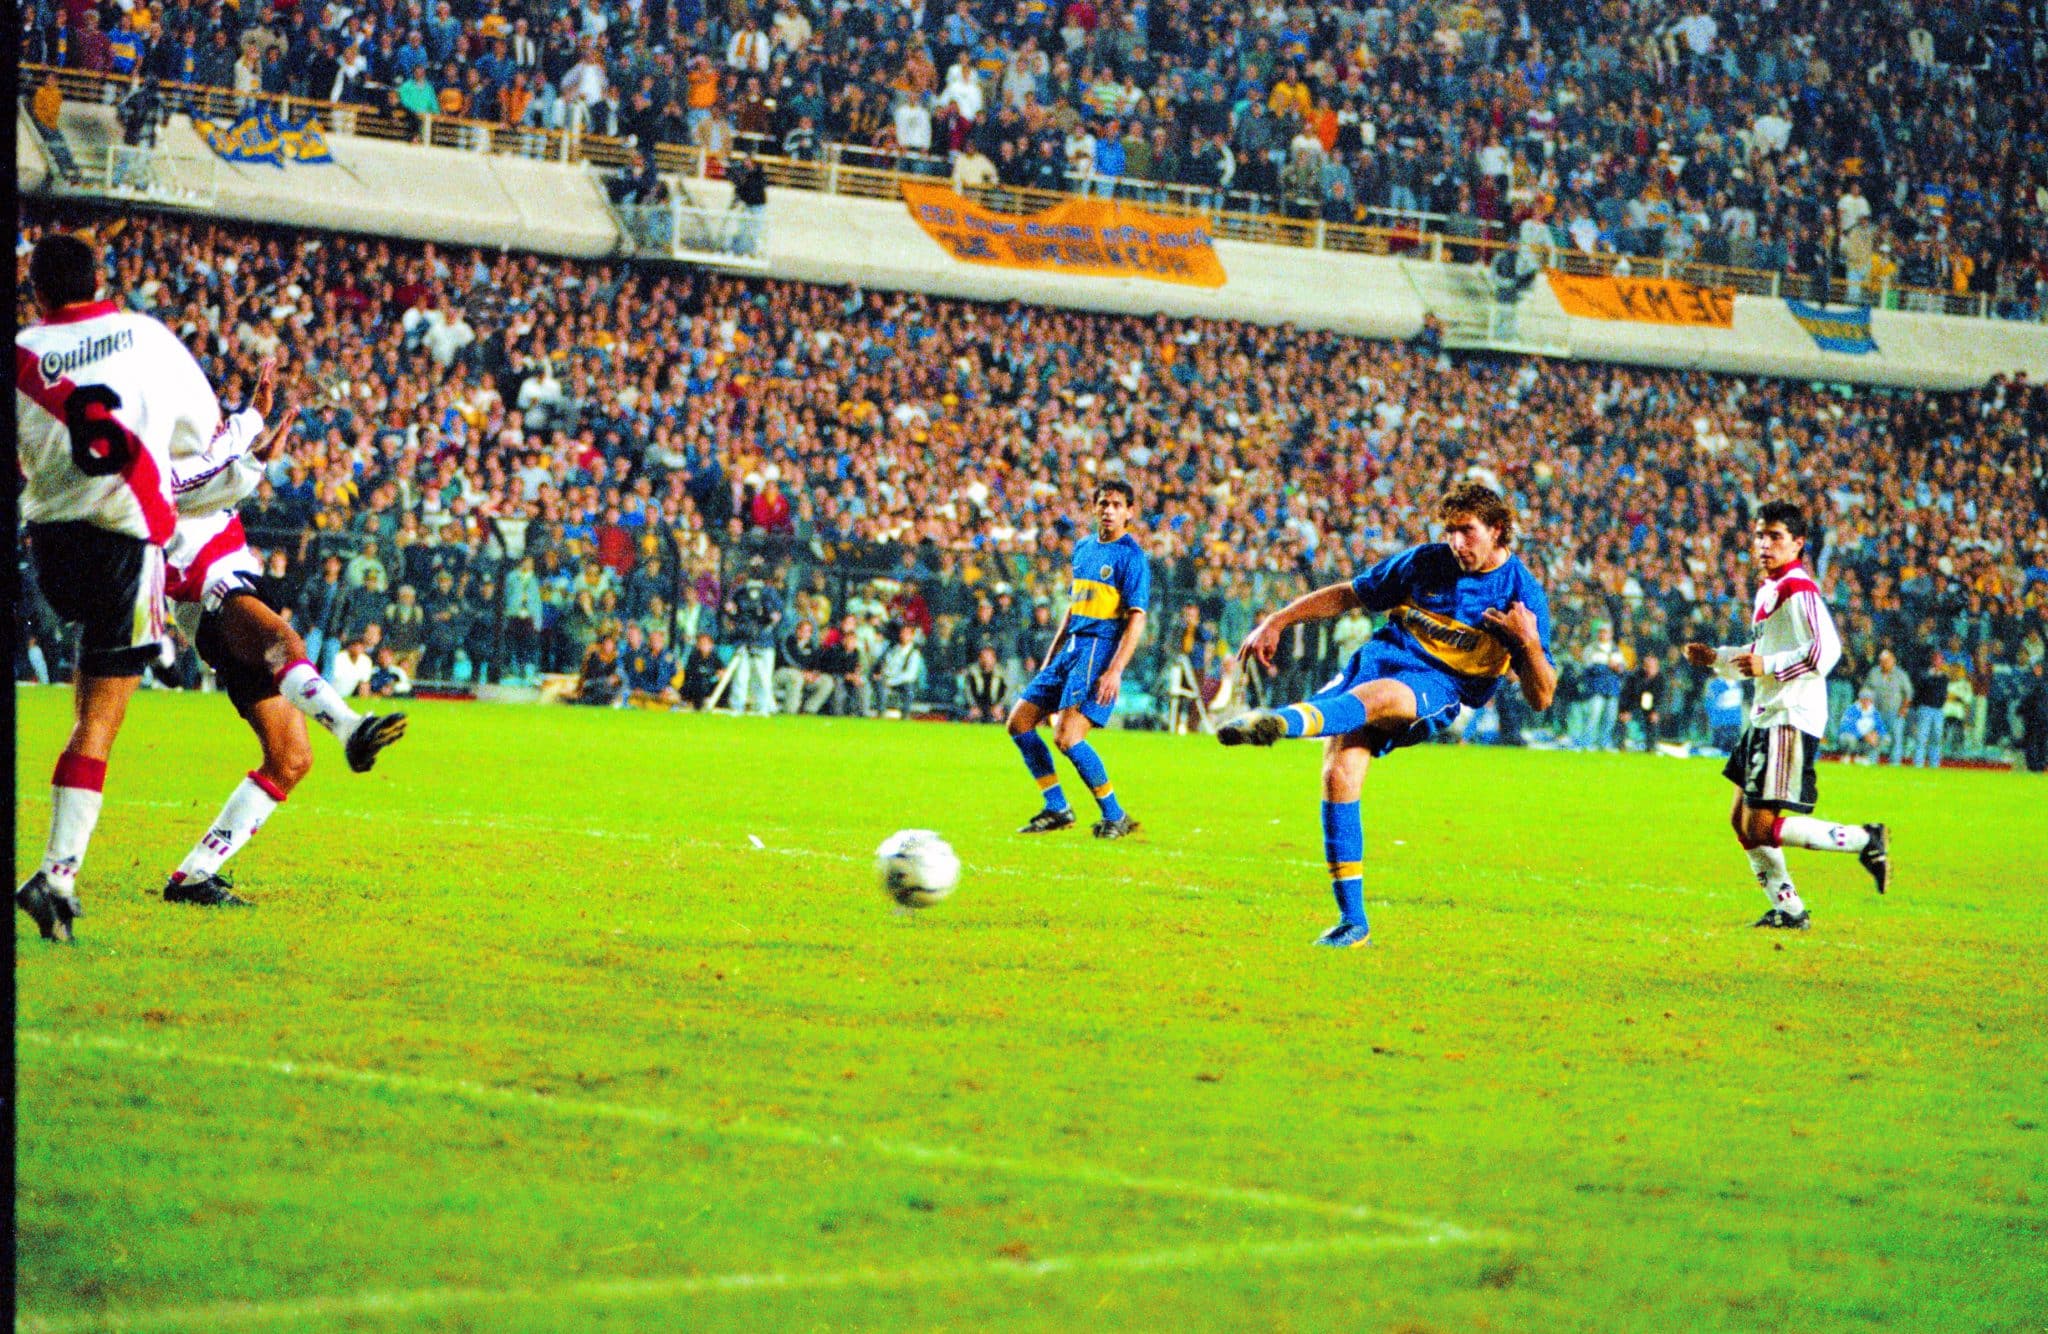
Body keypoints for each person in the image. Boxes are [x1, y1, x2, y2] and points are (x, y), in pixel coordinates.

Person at [1219, 483, 1556, 948]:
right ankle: (1352, 924)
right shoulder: (1424, 562)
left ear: (1498, 531)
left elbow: (1542, 697)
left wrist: (1529, 644)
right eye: (1451, 531)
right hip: (1379, 660)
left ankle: (1280, 721)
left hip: (1438, 687)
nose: (1457, 542)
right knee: (1339, 773)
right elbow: (1348, 595)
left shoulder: (1521, 593)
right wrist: (1276, 620)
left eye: (1468, 531)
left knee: (1378, 698)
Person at [15, 232, 229, 942]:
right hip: (125, 545)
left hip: (50, 548)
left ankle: (56, 872)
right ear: (98, 278)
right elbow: (202, 434)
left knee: (84, 705)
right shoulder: (143, 335)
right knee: (100, 722)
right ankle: (56, 875)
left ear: (36, 290)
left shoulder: (22, 352)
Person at [158, 363, 407, 907]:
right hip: (214, 594)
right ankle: (350, 728)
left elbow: (228, 472)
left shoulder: (196, 465)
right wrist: (253, 418)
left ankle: (194, 875)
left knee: (291, 757)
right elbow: (215, 467)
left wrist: (261, 442)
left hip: (226, 597)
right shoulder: (158, 467)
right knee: (286, 644)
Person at [1683, 501, 1890, 930]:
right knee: (1740, 822)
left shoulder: (1799, 587)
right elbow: (1759, 657)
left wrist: (1770, 667)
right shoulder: (1770, 588)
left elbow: (1825, 651)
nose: (1764, 544)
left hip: (1790, 718)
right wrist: (1717, 658)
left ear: (1798, 543)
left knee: (1759, 826)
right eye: (1760, 535)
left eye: (1775, 536)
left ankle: (1864, 839)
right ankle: (1789, 909)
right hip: (1765, 716)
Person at [1007, 480, 1150, 840]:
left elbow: (1137, 618)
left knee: (1068, 737)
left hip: (1098, 649)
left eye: (1118, 504)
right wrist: (1051, 656)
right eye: (1104, 503)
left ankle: (1115, 815)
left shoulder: (1131, 556)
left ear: (1129, 512)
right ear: (1094, 507)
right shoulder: (1084, 548)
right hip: (1071, 647)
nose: (1109, 510)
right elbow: (1073, 609)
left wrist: (1115, 670)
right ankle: (1056, 807)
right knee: (1019, 722)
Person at [722, 556, 782, 715]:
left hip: (763, 640)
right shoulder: (741, 591)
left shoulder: (770, 592)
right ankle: (737, 706)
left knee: (763, 678)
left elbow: (776, 616)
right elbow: (733, 613)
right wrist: (733, 613)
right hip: (744, 639)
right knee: (741, 676)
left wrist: (769, 620)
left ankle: (763, 708)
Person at [773, 618, 836, 714]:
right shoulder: (788, 642)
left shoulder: (812, 647)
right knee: (796, 677)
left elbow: (815, 664)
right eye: (802, 630)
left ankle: (809, 710)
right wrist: (803, 672)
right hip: (783, 673)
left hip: (804, 676)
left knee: (827, 681)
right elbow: (788, 660)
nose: (804, 633)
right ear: (797, 630)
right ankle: (790, 711)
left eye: (808, 631)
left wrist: (814, 674)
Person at [1861, 648, 1912, 765]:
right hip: (1876, 712)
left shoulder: (1901, 675)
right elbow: (1865, 690)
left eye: (1887, 661)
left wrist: (1903, 709)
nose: (1884, 663)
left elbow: (1908, 694)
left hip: (1895, 712)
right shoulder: (1874, 672)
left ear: (1893, 661)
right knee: (1874, 739)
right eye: (1882, 661)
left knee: (1896, 740)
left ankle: (1894, 765)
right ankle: (1871, 763)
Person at [1907, 650, 1950, 768]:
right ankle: (1918, 764)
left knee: (1936, 738)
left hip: (1938, 710)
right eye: (1936, 659)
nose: (1938, 662)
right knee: (1922, 738)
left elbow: (1942, 693)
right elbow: (1920, 691)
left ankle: (1934, 765)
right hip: (1925, 708)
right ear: (1932, 661)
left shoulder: (1944, 677)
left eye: (1940, 660)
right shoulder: (1924, 675)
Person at [1619, 653, 1669, 750]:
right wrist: (1625, 710)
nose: (1649, 669)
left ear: (1657, 667)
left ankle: (1651, 748)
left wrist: (1656, 711)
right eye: (1647, 666)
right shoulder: (1634, 677)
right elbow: (1626, 695)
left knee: (1653, 720)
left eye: (1652, 667)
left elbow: (1662, 698)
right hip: (1634, 704)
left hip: (1652, 706)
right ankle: (1621, 745)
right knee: (1623, 720)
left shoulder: (1662, 680)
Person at [877, 622, 926, 716]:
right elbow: (887, 665)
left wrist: (891, 681)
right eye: (902, 633)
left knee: (909, 689)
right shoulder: (893, 649)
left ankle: (905, 715)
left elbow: (909, 675)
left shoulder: (914, 653)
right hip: (889, 678)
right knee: (880, 684)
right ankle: (881, 714)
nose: (903, 636)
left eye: (907, 634)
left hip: (902, 682)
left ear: (912, 636)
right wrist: (884, 676)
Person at [1836, 687, 1890, 764]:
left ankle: (1864, 756)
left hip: (1866, 741)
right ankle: (1846, 756)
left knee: (1886, 738)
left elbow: (1881, 728)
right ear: (1860, 699)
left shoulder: (1874, 712)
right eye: (1864, 699)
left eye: (1869, 699)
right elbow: (1845, 727)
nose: (1866, 702)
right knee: (1850, 739)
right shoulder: (1851, 710)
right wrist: (1863, 735)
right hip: (1853, 738)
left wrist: (1875, 734)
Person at [960, 645, 1010, 722]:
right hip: (977, 705)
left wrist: (1000, 706)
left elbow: (1008, 692)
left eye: (989, 657)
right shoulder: (972, 672)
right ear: (979, 659)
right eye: (983, 657)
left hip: (995, 706)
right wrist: (973, 706)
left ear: (994, 659)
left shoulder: (1002, 673)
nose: (986, 660)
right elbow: (967, 692)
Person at [2018, 659, 2048, 774]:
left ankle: (2040, 765)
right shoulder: (2030, 681)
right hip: (2031, 718)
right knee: (2032, 742)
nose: (2037, 669)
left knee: (2041, 742)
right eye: (2035, 667)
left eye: (2039, 667)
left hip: (2042, 718)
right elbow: (2026, 699)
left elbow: (2028, 698)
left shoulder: (2041, 683)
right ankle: (2033, 766)